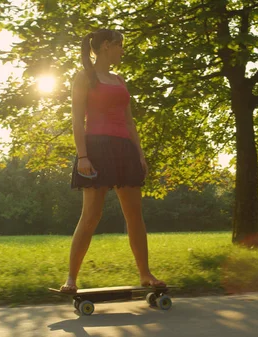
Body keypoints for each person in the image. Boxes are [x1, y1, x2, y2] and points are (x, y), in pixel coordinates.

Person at [60, 29, 166, 293]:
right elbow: (76, 119)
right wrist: (82, 156)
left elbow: (128, 121)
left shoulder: (119, 80)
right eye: (120, 46)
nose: (122, 51)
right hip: (96, 148)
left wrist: (139, 153)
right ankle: (71, 279)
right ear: (106, 46)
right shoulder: (84, 77)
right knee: (91, 216)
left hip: (124, 149)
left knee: (134, 216)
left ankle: (145, 273)